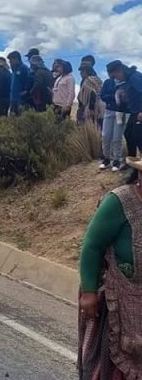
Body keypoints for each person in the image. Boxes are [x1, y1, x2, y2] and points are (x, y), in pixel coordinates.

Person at [77, 165, 142, 379]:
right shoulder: (120, 201)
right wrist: (89, 292)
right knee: (108, 367)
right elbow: (92, 245)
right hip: (115, 301)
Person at [107, 61, 142, 182]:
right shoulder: (129, 78)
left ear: (119, 71)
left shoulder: (134, 77)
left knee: (138, 138)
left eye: (115, 75)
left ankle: (138, 171)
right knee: (128, 135)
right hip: (134, 112)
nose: (116, 78)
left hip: (140, 113)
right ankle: (134, 167)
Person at [100, 74, 128, 172]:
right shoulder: (108, 82)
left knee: (117, 137)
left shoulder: (126, 82)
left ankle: (117, 160)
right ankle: (106, 158)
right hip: (109, 110)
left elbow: (128, 97)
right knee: (105, 135)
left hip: (123, 112)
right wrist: (116, 96)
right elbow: (102, 95)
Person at [78, 64, 104, 129]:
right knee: (98, 126)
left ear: (87, 71)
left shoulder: (88, 81)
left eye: (82, 71)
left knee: (88, 126)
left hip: (91, 108)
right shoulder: (98, 80)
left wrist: (91, 108)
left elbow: (92, 94)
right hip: (101, 108)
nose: (80, 73)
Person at [7, 51, 30, 116]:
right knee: (12, 119)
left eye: (11, 60)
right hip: (13, 99)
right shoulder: (14, 70)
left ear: (16, 59)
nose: (10, 62)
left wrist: (26, 91)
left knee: (20, 119)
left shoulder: (23, 68)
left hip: (20, 99)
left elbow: (28, 80)